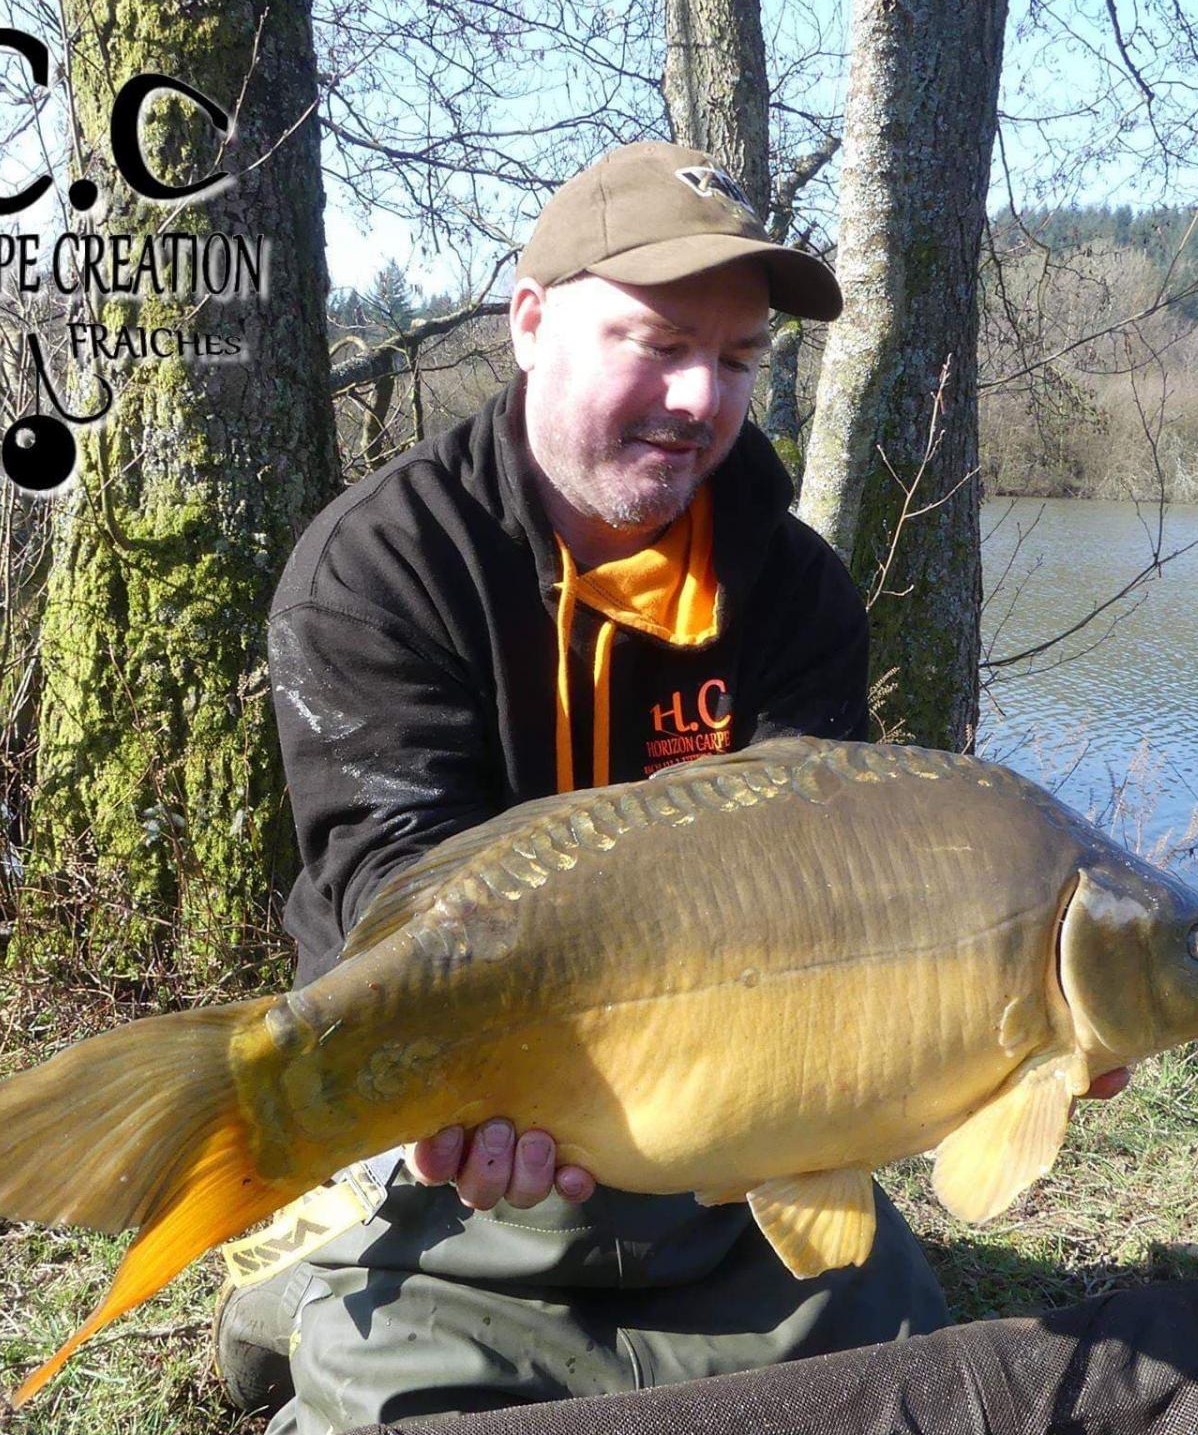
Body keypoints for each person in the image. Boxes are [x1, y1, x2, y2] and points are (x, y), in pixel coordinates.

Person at [222, 139, 994, 1433]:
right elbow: (393, 895)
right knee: (395, 1369)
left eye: (739, 359)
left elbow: (838, 900)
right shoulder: (378, 567)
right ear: (531, 325)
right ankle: (309, 1279)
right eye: (654, 341)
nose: (699, 396)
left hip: (718, 1076)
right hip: (458, 1088)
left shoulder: (795, 591)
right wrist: (472, 1092)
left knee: (901, 1379)